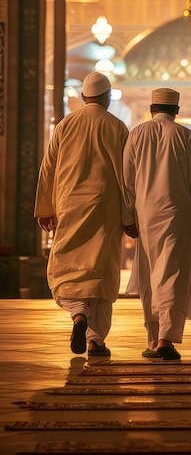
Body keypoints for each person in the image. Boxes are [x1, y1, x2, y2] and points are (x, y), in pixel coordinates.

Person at [34, 71, 133, 358]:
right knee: (100, 271)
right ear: (108, 97)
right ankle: (95, 341)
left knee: (66, 265)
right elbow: (127, 177)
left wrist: (45, 208)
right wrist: (129, 217)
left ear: (82, 97)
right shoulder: (117, 127)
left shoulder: (65, 125)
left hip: (69, 205)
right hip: (105, 208)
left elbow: (48, 168)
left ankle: (78, 314)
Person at [123, 87, 191, 360]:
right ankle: (165, 339)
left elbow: (127, 181)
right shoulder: (186, 135)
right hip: (179, 215)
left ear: (151, 109)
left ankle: (154, 339)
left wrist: (127, 218)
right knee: (173, 273)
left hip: (146, 215)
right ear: (177, 111)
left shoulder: (137, 133)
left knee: (150, 274)